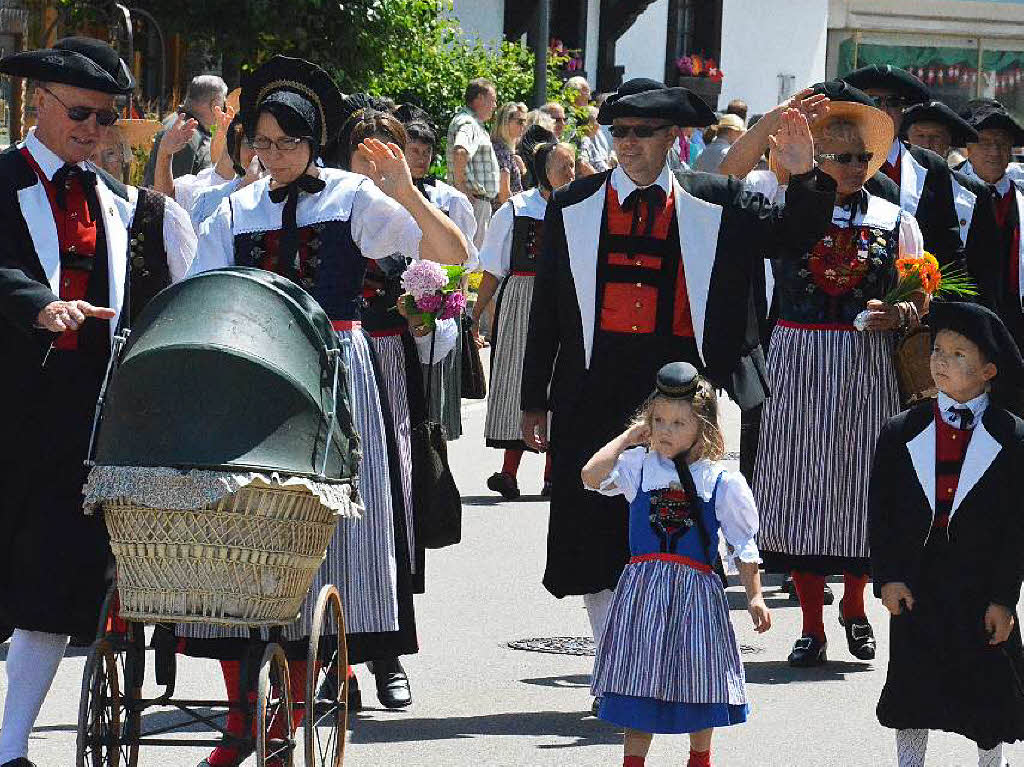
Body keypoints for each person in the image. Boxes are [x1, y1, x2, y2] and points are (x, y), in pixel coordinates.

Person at [184, 56, 468, 765]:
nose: (272, 157)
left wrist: (404, 190)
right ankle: (253, 716)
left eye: (286, 143)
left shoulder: (351, 198)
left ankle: (312, 689)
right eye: (262, 143)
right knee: (251, 534)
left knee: (328, 531)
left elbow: (453, 256)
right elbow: (203, 289)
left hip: (337, 369)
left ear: (314, 143)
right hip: (257, 367)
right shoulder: (234, 206)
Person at [520, 77, 835, 676]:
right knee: (593, 525)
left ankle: (668, 660)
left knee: (677, 524)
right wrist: (533, 398)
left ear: (671, 139)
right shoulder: (572, 204)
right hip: (594, 380)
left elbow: (795, 237)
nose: (630, 143)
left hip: (680, 386)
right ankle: (615, 662)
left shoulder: (718, 200)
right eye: (621, 133)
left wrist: (805, 173)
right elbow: (548, 311)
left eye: (643, 133)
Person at [0, 37, 194, 767]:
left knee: (48, 585)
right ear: (39, 104)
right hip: (8, 399)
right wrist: (38, 304)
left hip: (84, 420)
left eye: (107, 119)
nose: (93, 130)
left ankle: (11, 746)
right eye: (80, 113)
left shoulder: (123, 203)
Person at [754, 99, 928, 668]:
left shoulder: (893, 218)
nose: (854, 166)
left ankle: (854, 605)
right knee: (801, 484)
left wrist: (897, 314)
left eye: (862, 157)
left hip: (865, 362)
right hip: (799, 355)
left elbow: (921, 297)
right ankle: (810, 626)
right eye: (840, 156)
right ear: (815, 157)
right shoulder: (787, 208)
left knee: (860, 482)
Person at [582, 362, 770, 767]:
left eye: (678, 423)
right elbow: (590, 476)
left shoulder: (720, 480)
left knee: (699, 678)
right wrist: (630, 437)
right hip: (643, 593)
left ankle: (699, 758)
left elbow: (743, 542)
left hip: (695, 592)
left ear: (702, 427)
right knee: (637, 683)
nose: (665, 430)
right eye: (659, 420)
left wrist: (754, 595)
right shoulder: (640, 467)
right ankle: (633, 761)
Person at [869, 301, 1024, 767]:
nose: (941, 360)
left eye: (959, 354)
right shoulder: (901, 430)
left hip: (978, 586)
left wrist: (1003, 598)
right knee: (913, 689)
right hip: (920, 583)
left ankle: (988, 762)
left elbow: (1017, 528)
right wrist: (888, 577)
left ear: (989, 370)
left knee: (987, 689)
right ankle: (909, 763)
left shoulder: (1012, 437)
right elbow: (882, 514)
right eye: (938, 349)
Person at [474, 141, 576, 500]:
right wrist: (474, 316)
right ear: (542, 171)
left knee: (558, 380)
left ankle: (552, 475)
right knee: (519, 380)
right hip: (522, 298)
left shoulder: (577, 209)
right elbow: (492, 269)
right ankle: (509, 473)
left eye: (573, 166)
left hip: (565, 299)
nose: (571, 174)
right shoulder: (516, 210)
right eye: (564, 166)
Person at [401, 111, 479, 440]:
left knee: (436, 403)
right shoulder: (383, 195)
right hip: (399, 304)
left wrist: (455, 304)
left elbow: (466, 259)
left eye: (425, 152)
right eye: (413, 150)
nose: (420, 158)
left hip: (439, 307)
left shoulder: (449, 198)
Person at [841, 64, 962, 265]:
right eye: (874, 101)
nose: (884, 109)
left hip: (919, 289)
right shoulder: (840, 161)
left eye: (893, 102)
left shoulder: (932, 166)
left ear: (903, 111)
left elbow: (948, 243)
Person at [956, 100, 1024, 369]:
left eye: (1002, 143)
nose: (994, 151)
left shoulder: (1019, 194)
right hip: (966, 313)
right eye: (985, 142)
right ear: (968, 148)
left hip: (1016, 316)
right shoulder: (949, 188)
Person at [142, 74, 227, 186]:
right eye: (223, 105)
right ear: (214, 105)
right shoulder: (187, 133)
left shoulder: (176, 122)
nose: (224, 111)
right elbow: (176, 191)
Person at [447, 77, 500, 248]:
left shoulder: (471, 122)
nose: (495, 106)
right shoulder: (469, 123)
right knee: (470, 260)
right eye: (493, 100)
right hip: (474, 201)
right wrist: (461, 185)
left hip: (475, 201)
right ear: (479, 99)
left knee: (468, 260)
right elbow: (460, 150)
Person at [490, 101, 528, 207]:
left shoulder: (504, 149)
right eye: (520, 121)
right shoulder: (501, 151)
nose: (524, 126)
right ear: (505, 122)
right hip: (504, 213)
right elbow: (504, 194)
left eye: (525, 121)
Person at [580, 104, 614, 172]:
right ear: (589, 123)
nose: (599, 125)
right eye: (597, 121)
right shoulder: (583, 140)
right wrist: (599, 177)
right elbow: (583, 164)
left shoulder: (597, 136)